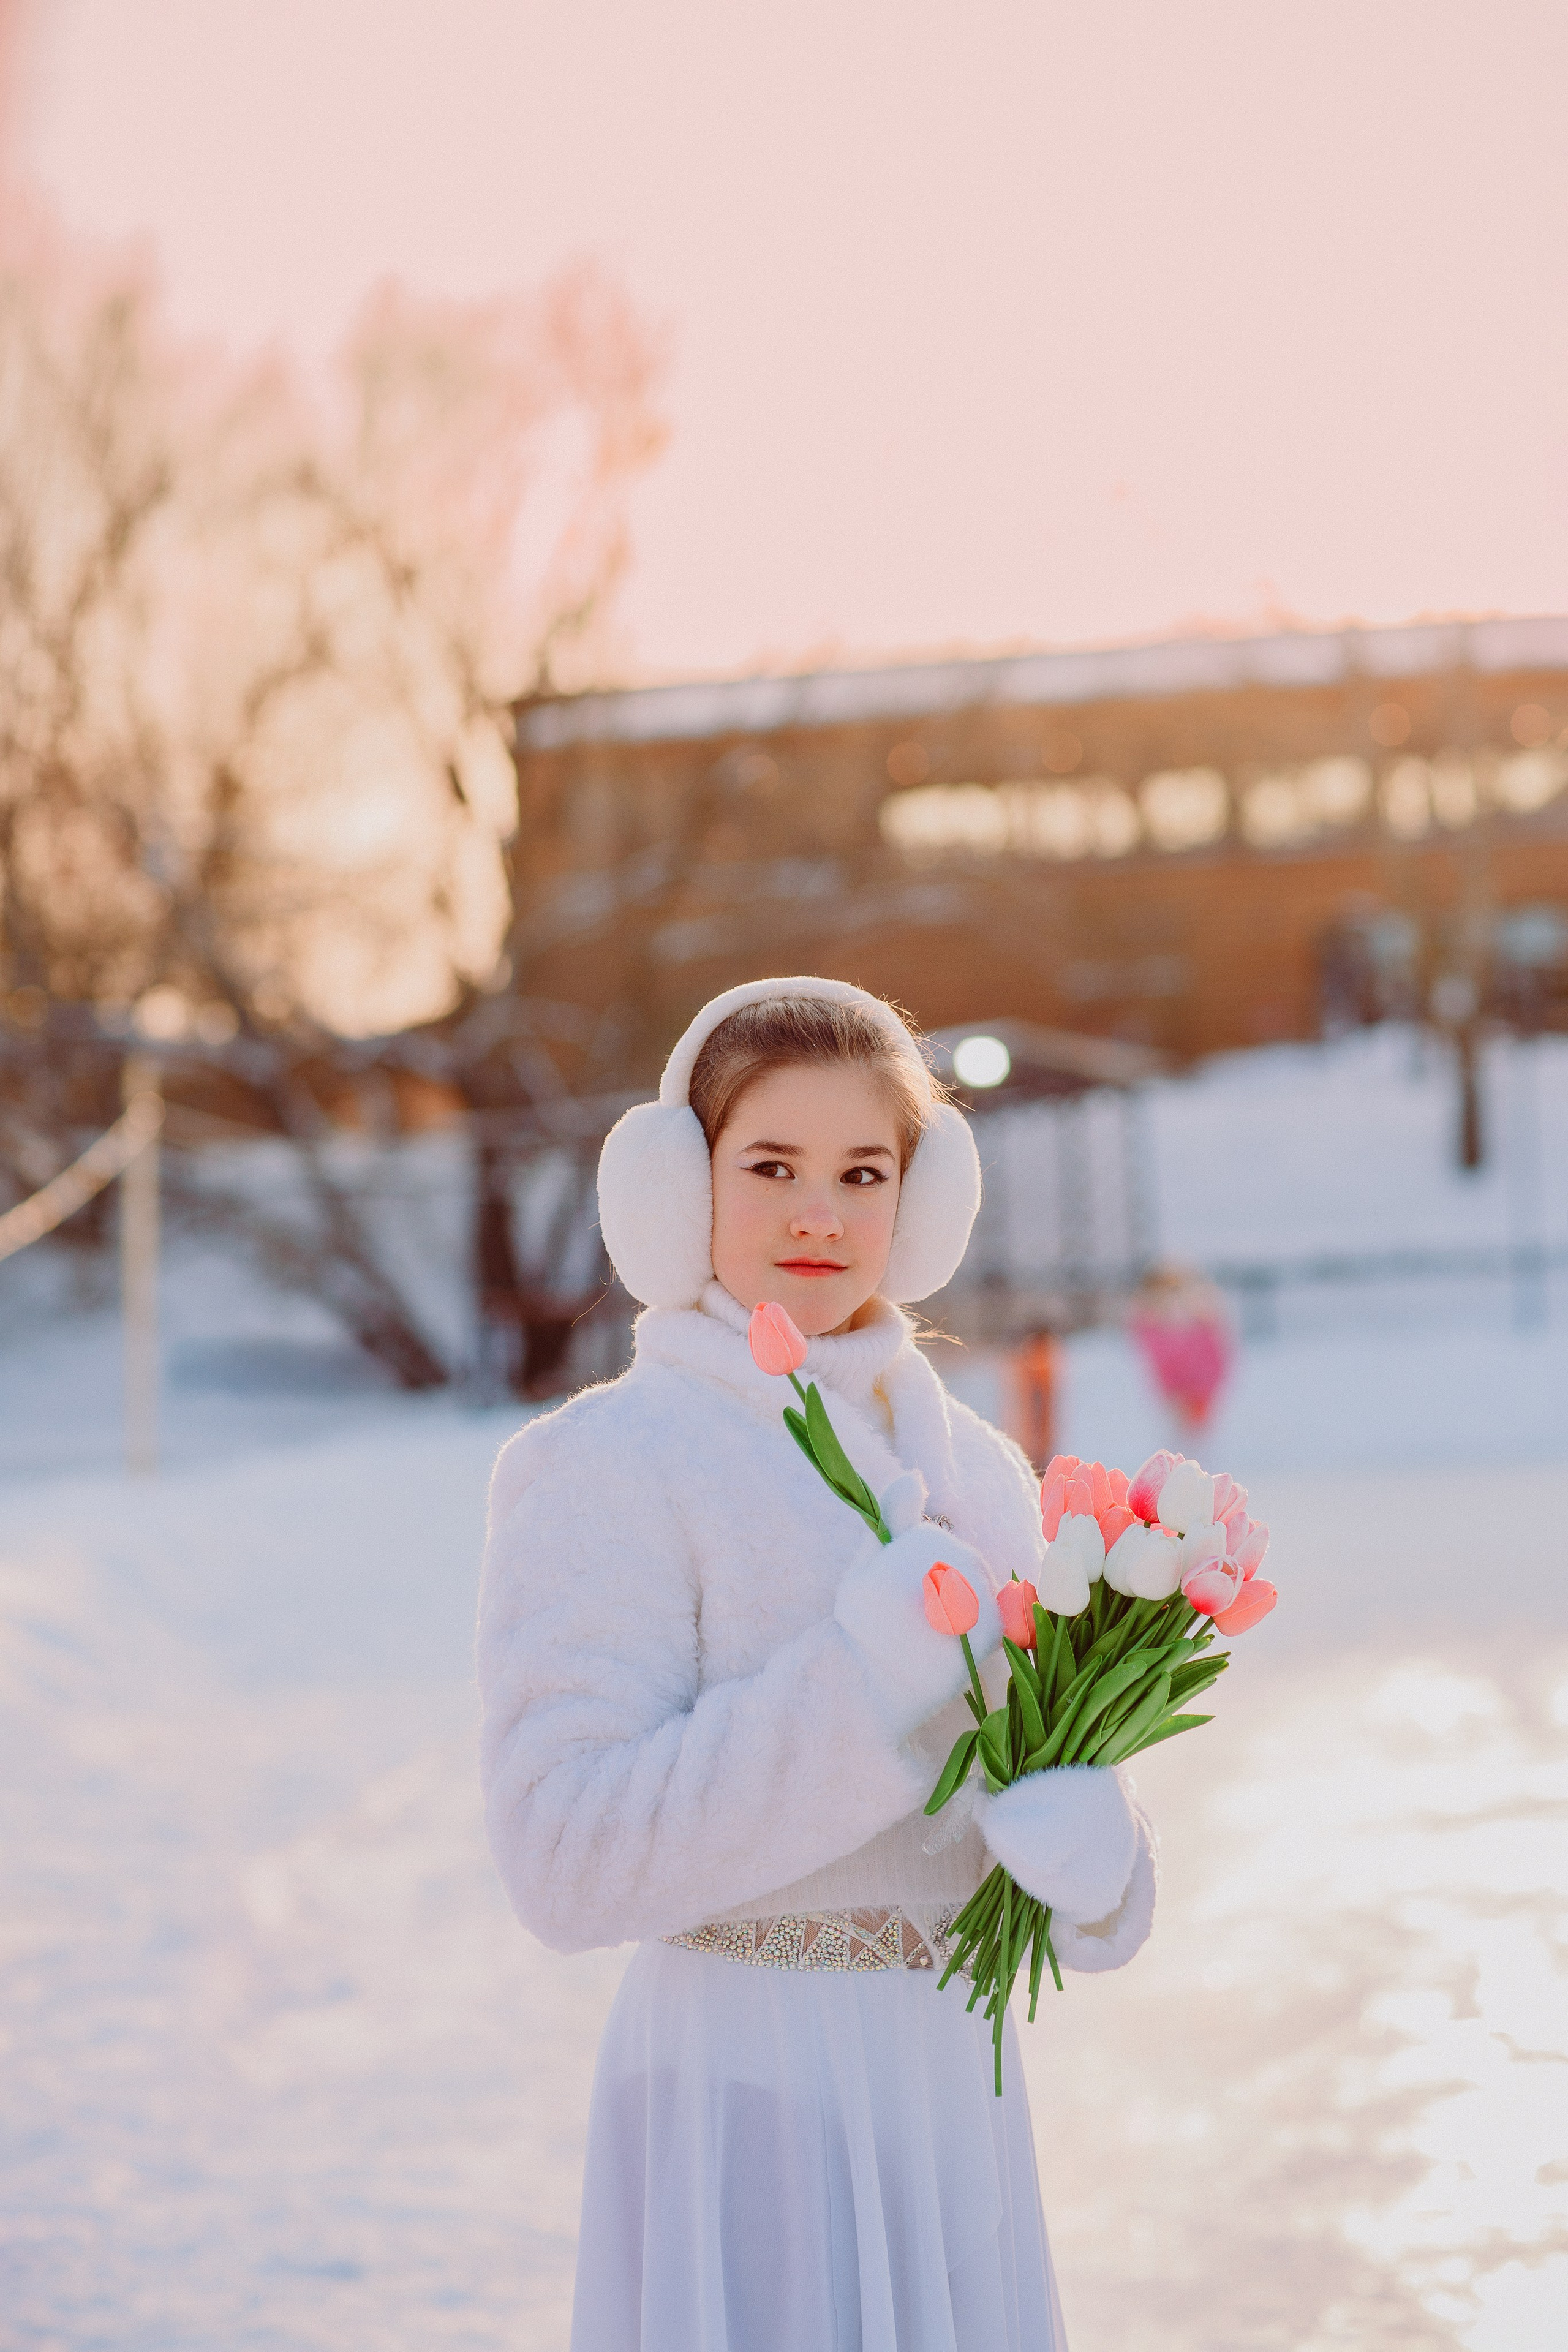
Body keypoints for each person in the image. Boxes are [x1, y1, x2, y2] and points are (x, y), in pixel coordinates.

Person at [477, 978, 1159, 2352]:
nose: (818, 1213)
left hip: (947, 2100)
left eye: (863, 1172)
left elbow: (1021, 1808)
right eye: (769, 1166)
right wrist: (863, 1685)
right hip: (742, 2089)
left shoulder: (974, 1472)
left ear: (923, 1202)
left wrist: (1103, 1874)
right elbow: (563, 1857)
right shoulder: (607, 1464)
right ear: (677, 1190)